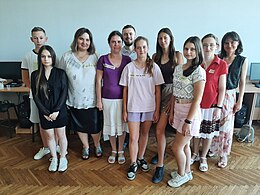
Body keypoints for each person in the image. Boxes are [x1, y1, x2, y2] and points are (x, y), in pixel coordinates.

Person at [119, 36, 164, 181]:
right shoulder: (129, 67)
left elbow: (158, 91)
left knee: (144, 134)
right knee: (133, 137)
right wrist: (124, 110)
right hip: (133, 107)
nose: (141, 50)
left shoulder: (154, 67)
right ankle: (133, 163)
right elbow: (124, 90)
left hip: (149, 108)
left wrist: (157, 110)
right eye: (138, 47)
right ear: (135, 49)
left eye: (144, 47)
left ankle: (140, 157)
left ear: (148, 48)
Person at [58, 28, 102, 160]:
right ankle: (85, 146)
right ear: (76, 39)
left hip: (93, 99)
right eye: (81, 39)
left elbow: (101, 79)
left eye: (87, 40)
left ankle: (97, 144)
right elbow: (60, 77)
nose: (84, 42)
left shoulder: (96, 57)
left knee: (94, 125)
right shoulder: (67, 57)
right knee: (80, 124)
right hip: (74, 99)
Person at [168, 36, 206, 188]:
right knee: (184, 146)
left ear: (197, 51)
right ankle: (187, 171)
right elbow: (174, 92)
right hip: (178, 109)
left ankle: (181, 175)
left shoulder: (199, 72)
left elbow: (197, 100)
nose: (188, 52)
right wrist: (171, 112)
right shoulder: (178, 68)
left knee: (176, 147)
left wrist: (188, 121)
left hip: (190, 113)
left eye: (192, 49)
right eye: (186, 49)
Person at [210, 31, 248, 168]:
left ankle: (223, 155)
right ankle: (212, 148)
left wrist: (240, 100)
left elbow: (242, 82)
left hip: (230, 95)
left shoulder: (242, 60)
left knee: (226, 127)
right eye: (226, 42)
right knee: (213, 123)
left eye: (232, 42)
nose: (229, 45)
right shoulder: (218, 57)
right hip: (215, 94)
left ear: (238, 43)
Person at [191, 34, 228, 172]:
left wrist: (218, 106)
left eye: (211, 45)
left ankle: (203, 157)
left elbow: (222, 88)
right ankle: (194, 154)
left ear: (216, 46)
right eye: (205, 45)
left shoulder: (221, 64)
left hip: (211, 106)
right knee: (196, 132)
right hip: (196, 105)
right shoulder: (197, 62)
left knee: (208, 134)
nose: (207, 48)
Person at [151, 27, 183, 183]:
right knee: (158, 129)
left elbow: (180, 80)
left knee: (169, 129)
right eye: (160, 38)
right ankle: (161, 157)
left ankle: (168, 167)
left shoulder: (177, 56)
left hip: (173, 94)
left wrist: (173, 100)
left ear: (171, 39)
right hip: (158, 92)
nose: (162, 41)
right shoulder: (155, 56)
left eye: (165, 38)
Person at [31, 45, 68, 172]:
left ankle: (63, 158)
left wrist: (57, 110)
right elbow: (36, 96)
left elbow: (64, 92)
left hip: (60, 111)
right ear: (39, 58)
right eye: (43, 56)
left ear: (53, 57)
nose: (46, 59)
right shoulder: (35, 75)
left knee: (61, 135)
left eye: (48, 56)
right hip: (44, 112)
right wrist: (45, 112)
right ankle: (54, 158)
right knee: (50, 137)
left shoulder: (60, 73)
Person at [96, 31, 131, 164]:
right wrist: (99, 100)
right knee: (110, 126)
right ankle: (113, 150)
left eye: (118, 42)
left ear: (122, 43)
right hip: (107, 99)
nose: (116, 44)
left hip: (123, 100)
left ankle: (121, 150)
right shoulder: (103, 59)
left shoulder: (128, 60)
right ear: (109, 43)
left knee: (122, 126)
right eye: (113, 42)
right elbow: (98, 81)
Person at [21, 27, 52, 160]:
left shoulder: (50, 54)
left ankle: (55, 147)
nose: (38, 40)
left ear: (46, 38)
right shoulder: (27, 56)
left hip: (50, 97)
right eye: (35, 37)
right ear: (31, 39)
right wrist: (34, 90)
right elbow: (25, 78)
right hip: (35, 97)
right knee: (41, 123)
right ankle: (46, 147)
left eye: (41, 37)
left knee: (52, 122)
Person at [121, 24, 137, 150]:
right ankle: (126, 139)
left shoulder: (140, 50)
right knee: (125, 115)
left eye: (130, 33)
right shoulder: (119, 51)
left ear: (134, 35)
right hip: (124, 87)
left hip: (138, 90)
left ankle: (136, 139)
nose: (128, 36)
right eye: (125, 34)